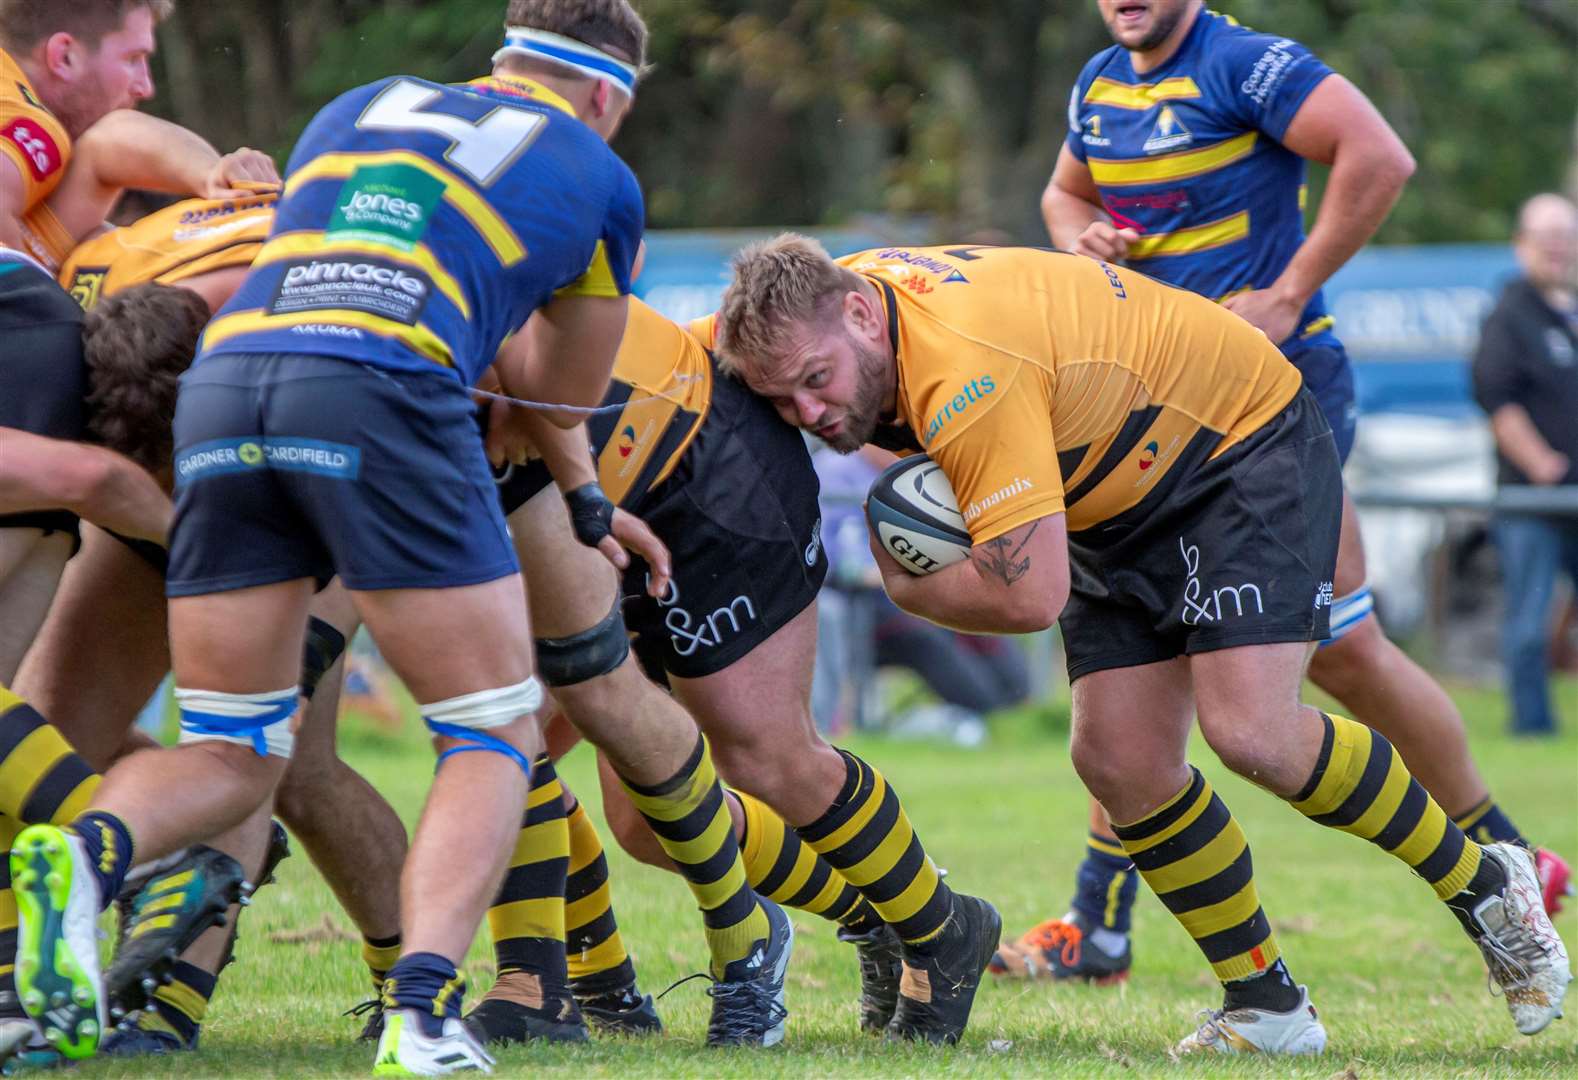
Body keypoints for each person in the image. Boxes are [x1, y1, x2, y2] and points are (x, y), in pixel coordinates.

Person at [5, 4, 743, 1072]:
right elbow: (557, 396)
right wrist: (576, 482)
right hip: (378, 390)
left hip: (220, 383)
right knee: (489, 729)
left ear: (500, 62)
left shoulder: (357, 108)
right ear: (610, 97)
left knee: (231, 744)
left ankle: (80, 857)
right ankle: (424, 1013)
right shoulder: (596, 170)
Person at [714, 235, 1572, 1056]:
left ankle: (1489, 886)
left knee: (1256, 733)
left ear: (863, 317)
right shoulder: (822, 305)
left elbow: (1029, 596)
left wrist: (907, 583)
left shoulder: (965, 369)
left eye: (815, 383)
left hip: (1235, 443)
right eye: (783, 398)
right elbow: (688, 363)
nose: (811, 414)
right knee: (1119, 759)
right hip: (1111, 481)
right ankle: (1265, 1004)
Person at [1016, 0, 1570, 981]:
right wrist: (1081, 233)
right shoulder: (1100, 84)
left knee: (1342, 647)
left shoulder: (1246, 64)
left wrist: (1287, 288)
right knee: (1166, 640)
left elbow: (1380, 157)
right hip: (1164, 412)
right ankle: (1097, 919)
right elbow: (1065, 196)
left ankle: (1513, 861)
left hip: (1280, 401)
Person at [1471, 193, 1578, 737]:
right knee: (1530, 622)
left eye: (1567, 237)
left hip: (1573, 496)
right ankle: (1532, 727)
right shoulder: (1509, 316)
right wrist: (1542, 465)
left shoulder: (1571, 316)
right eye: (1548, 238)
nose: (1559, 249)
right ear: (1521, 246)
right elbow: (1496, 398)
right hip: (1534, 498)